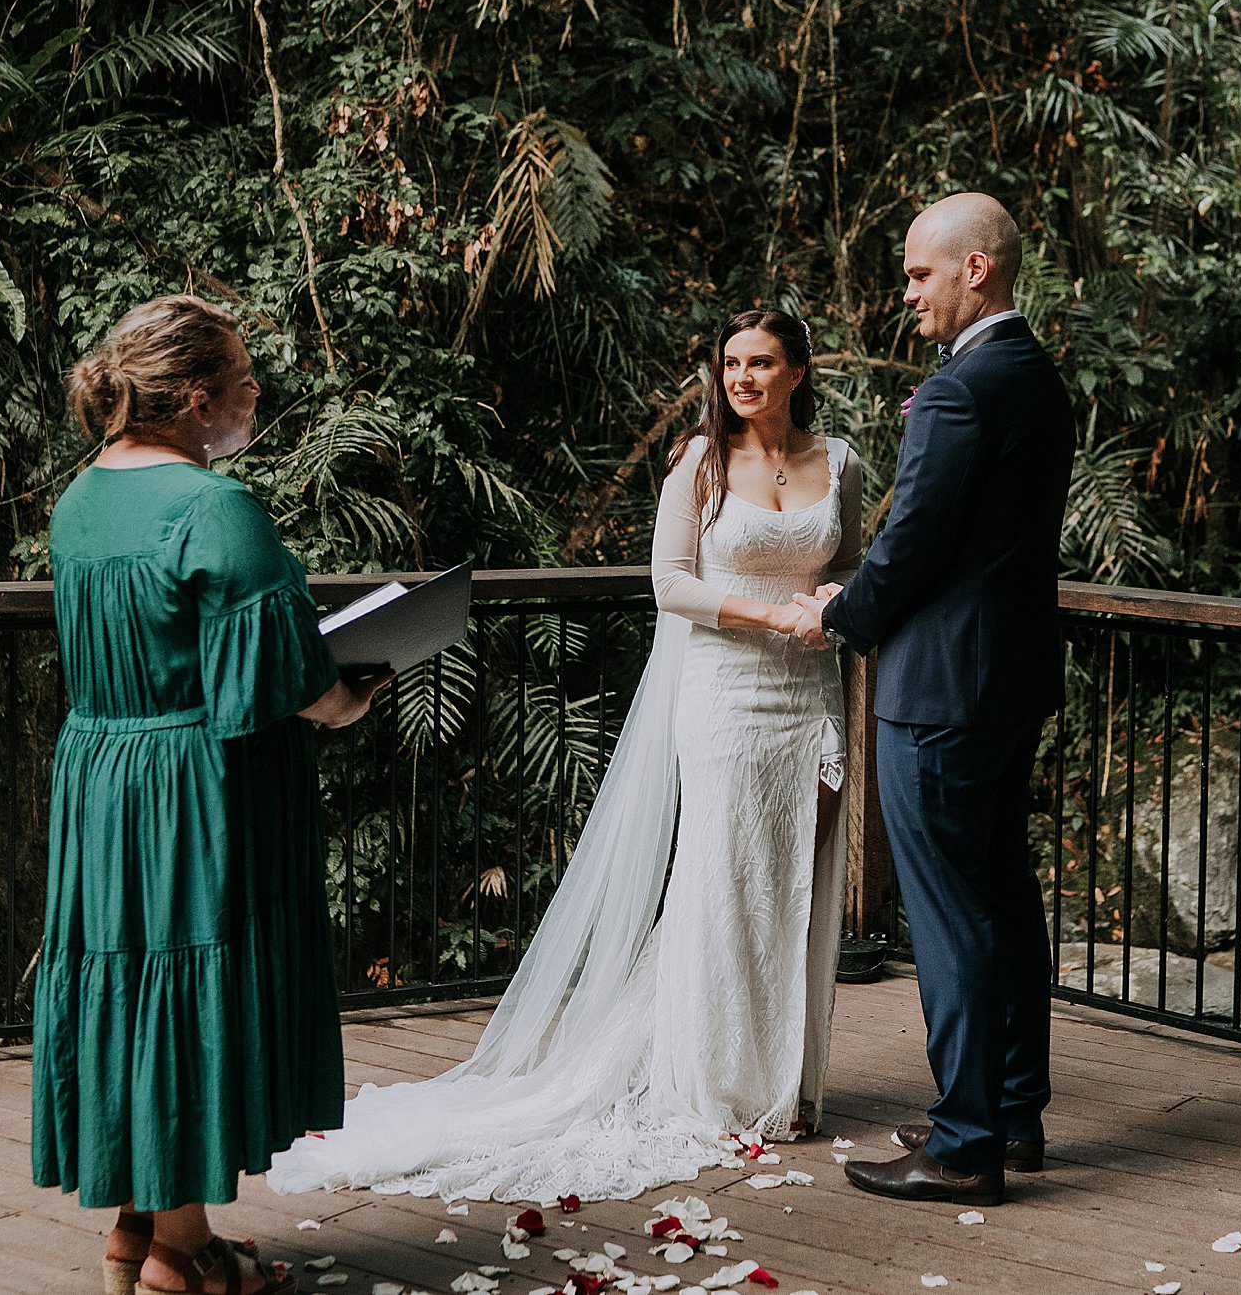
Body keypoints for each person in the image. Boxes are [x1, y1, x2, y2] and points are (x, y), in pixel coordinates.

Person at [267, 308, 863, 1203]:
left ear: (799, 369)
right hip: (726, 693)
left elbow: (851, 562)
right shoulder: (698, 465)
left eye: (762, 362)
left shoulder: (841, 461)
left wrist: (828, 601)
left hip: (809, 695)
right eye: (731, 362)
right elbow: (670, 583)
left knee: (797, 881)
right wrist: (770, 613)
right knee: (721, 879)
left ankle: (789, 1081)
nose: (742, 378)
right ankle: (714, 1084)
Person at [31, 295, 388, 1295]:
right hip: (196, 786)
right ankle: (181, 1260)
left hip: (105, 774)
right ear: (195, 399)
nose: (254, 392)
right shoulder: (212, 507)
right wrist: (349, 700)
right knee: (192, 986)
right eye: (240, 379)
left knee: (136, 978)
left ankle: (139, 1217)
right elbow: (290, 677)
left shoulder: (81, 495)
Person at [805, 193, 1075, 1207]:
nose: (906, 291)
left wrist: (839, 614)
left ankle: (964, 1143)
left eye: (920, 272)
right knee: (1003, 897)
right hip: (1007, 682)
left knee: (952, 914)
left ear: (976, 269)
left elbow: (912, 539)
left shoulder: (963, 389)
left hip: (938, 690)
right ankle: (1010, 1115)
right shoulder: (1037, 378)